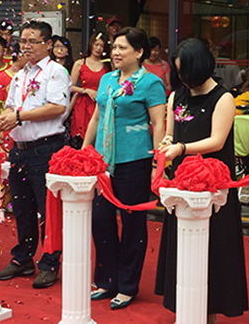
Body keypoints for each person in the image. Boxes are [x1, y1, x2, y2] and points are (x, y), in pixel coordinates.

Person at [154, 39, 248, 323]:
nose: (184, 80)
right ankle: (186, 310)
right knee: (183, 249)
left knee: (213, 253)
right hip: (183, 183)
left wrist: (181, 148)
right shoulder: (177, 96)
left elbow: (217, 141)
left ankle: (208, 315)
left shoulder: (223, 98)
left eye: (187, 73)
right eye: (180, 74)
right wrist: (168, 142)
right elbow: (172, 133)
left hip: (212, 185)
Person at [83, 26, 166, 310]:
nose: (115, 52)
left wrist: (158, 162)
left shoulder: (151, 83)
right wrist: (84, 152)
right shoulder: (107, 79)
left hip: (135, 161)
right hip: (104, 162)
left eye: (122, 48)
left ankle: (127, 285)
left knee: (132, 224)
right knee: (100, 219)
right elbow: (97, 117)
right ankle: (107, 280)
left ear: (139, 52)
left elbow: (159, 124)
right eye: (114, 47)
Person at [0, 21, 71, 289]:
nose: (26, 46)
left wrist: (17, 116)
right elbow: (11, 107)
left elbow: (57, 107)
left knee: (48, 210)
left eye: (32, 41)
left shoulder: (55, 72)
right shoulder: (19, 75)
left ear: (48, 44)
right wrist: (0, 121)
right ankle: (23, 258)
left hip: (45, 149)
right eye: (22, 41)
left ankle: (51, 262)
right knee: (22, 208)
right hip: (19, 150)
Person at [68, 32, 110, 146]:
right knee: (81, 140)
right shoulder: (80, 63)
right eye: (96, 44)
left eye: (102, 46)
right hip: (82, 105)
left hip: (99, 104)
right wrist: (86, 91)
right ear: (91, 44)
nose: (98, 48)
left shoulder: (107, 65)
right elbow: (70, 87)